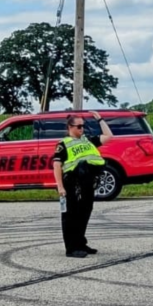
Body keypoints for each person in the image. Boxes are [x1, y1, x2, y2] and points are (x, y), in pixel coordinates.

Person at [52, 111, 113, 258]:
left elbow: (109, 136)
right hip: (71, 182)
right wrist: (60, 187)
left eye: (83, 126)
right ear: (70, 127)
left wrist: (99, 119)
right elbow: (57, 166)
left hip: (87, 182)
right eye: (78, 126)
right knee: (71, 215)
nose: (82, 129)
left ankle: (80, 243)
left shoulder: (88, 140)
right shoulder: (63, 144)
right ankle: (71, 248)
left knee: (85, 212)